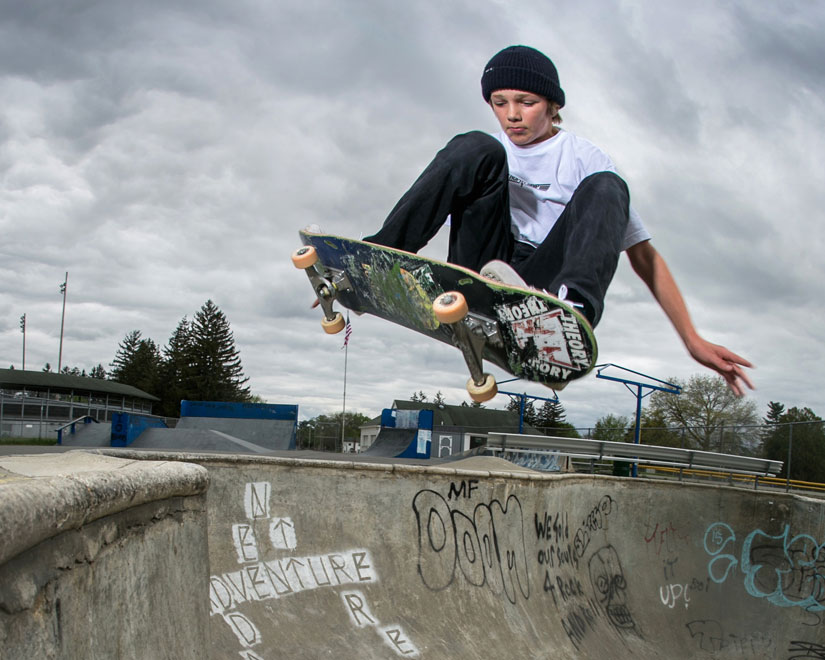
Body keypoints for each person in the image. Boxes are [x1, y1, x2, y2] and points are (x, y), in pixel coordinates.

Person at [364, 45, 753, 396]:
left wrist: (691, 338)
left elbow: (644, 256)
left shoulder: (584, 157)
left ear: (552, 105)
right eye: (499, 103)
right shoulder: (491, 150)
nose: (512, 116)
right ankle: (375, 259)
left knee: (607, 186)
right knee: (474, 146)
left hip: (542, 285)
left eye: (526, 102)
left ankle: (568, 321)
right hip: (483, 263)